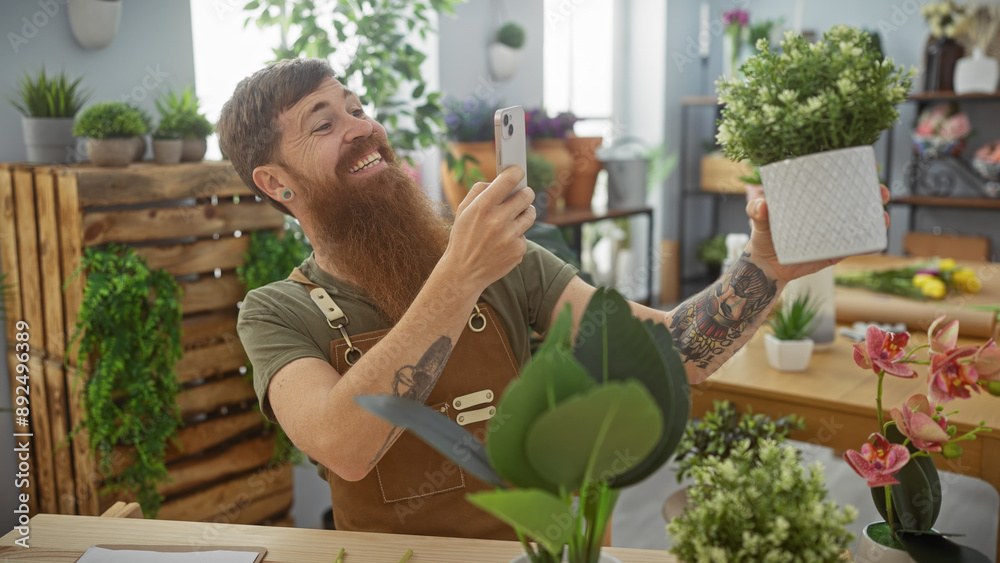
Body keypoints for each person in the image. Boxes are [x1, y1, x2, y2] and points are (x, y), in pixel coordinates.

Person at [219, 58, 890, 540]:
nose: (363, 127)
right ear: (276, 182)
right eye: (324, 122)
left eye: (358, 107)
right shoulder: (279, 311)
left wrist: (765, 265)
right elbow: (345, 444)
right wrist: (459, 276)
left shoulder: (507, 259)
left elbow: (669, 353)